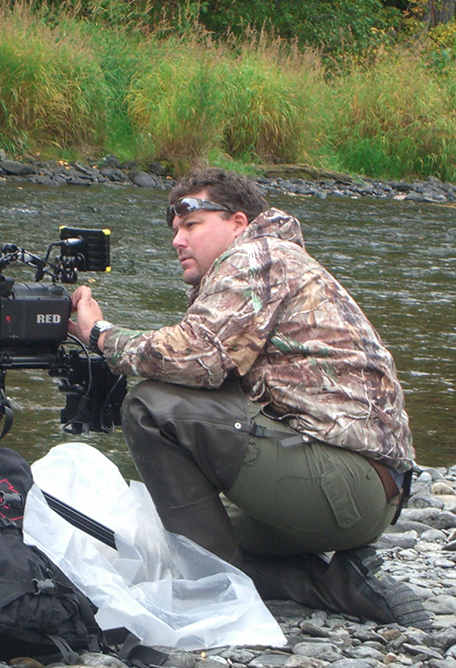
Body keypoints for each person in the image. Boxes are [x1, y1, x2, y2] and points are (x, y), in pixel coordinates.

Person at [68, 168, 431, 629]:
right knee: (172, 543)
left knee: (152, 407)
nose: (178, 240)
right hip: (364, 494)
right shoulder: (269, 264)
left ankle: (216, 591)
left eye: (191, 225)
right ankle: (330, 584)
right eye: (174, 230)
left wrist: (100, 334)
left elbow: (198, 355)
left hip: (345, 484)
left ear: (238, 222)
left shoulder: (258, 256)